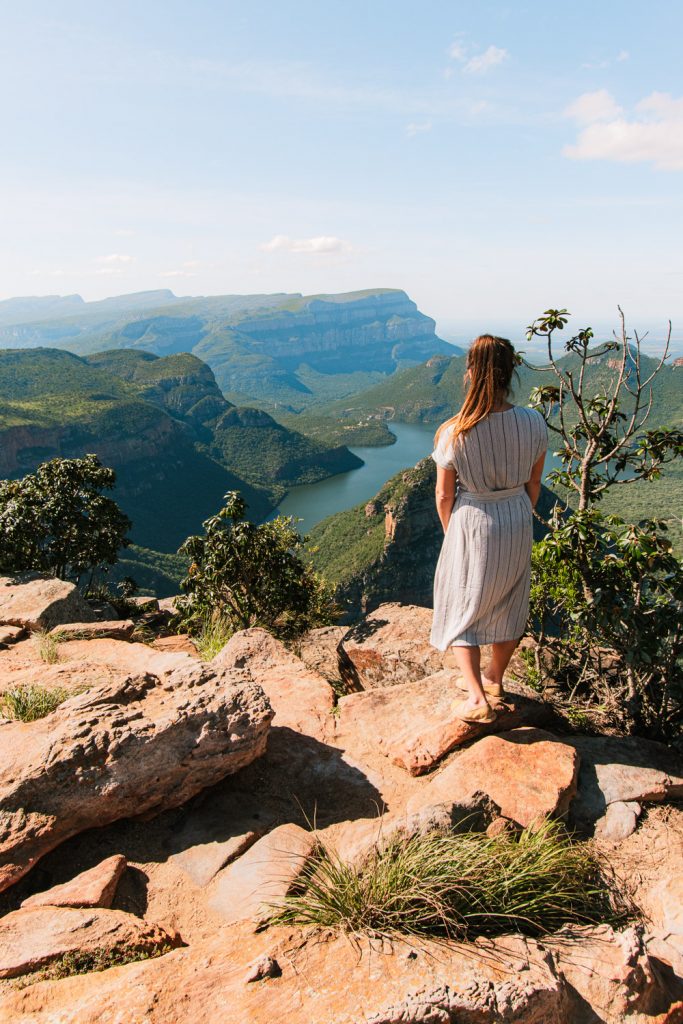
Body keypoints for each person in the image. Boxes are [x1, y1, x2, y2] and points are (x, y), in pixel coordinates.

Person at [430, 334, 547, 723]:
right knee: (511, 599)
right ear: (511, 371)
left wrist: (454, 532)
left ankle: (478, 699)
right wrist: (519, 511)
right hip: (516, 515)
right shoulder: (533, 421)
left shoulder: (455, 432)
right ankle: (495, 677)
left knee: (463, 603)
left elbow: (444, 495)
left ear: (470, 373)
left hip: (473, 519)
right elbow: (535, 483)